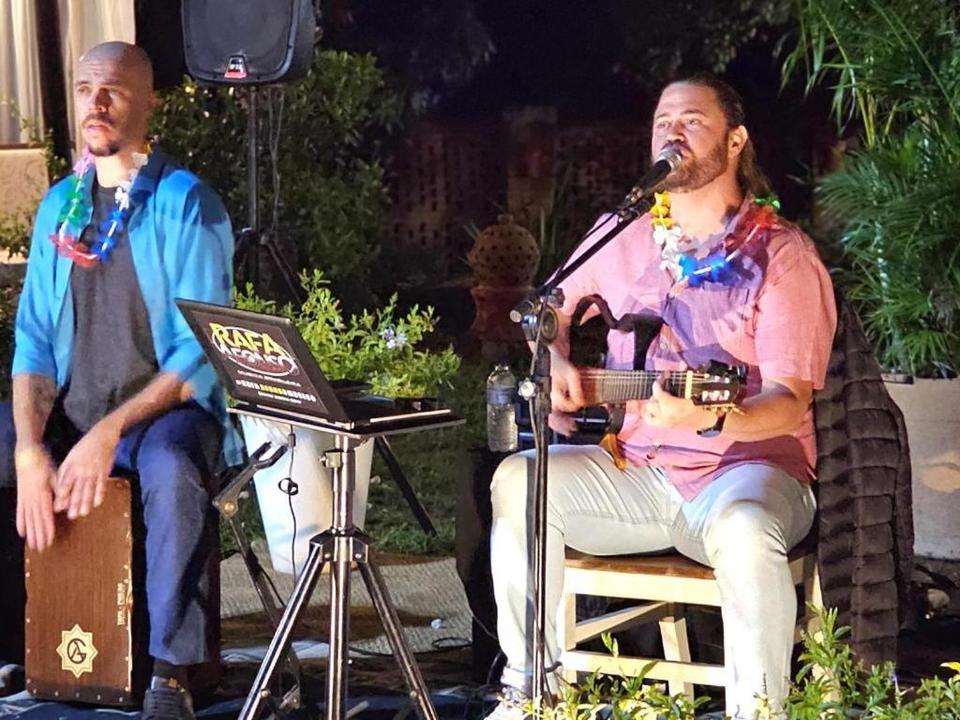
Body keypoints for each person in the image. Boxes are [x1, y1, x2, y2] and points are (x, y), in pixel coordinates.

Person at [488, 75, 837, 719]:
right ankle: (530, 691)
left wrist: (716, 415)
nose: (672, 131)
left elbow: (788, 401)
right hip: (639, 471)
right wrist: (555, 356)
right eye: (661, 121)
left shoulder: (781, 255)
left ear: (736, 141)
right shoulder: (621, 234)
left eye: (692, 120)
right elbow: (547, 311)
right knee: (518, 480)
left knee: (745, 528)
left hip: (748, 473)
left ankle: (761, 711)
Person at [0, 41, 241, 720]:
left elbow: (199, 354)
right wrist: (30, 447)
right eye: (84, 90)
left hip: (164, 415)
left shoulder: (187, 203)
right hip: (77, 411)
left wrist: (108, 434)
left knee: (171, 466)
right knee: (2, 444)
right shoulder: (61, 207)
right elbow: (33, 341)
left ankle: (172, 669)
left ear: (148, 102)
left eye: (113, 90)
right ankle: (14, 646)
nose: (96, 104)